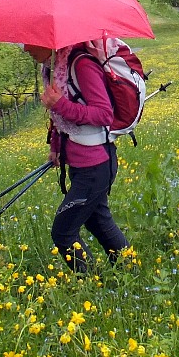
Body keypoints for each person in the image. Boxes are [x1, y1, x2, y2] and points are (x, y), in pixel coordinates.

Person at [23, 42, 128, 272]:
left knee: (63, 232)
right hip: (82, 165)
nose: (25, 49)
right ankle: (127, 272)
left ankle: (90, 284)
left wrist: (60, 104)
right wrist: (56, 146)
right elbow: (62, 120)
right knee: (98, 221)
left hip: (96, 165)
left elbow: (103, 113)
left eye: (29, 42)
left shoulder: (81, 65)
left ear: (48, 41)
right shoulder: (53, 68)